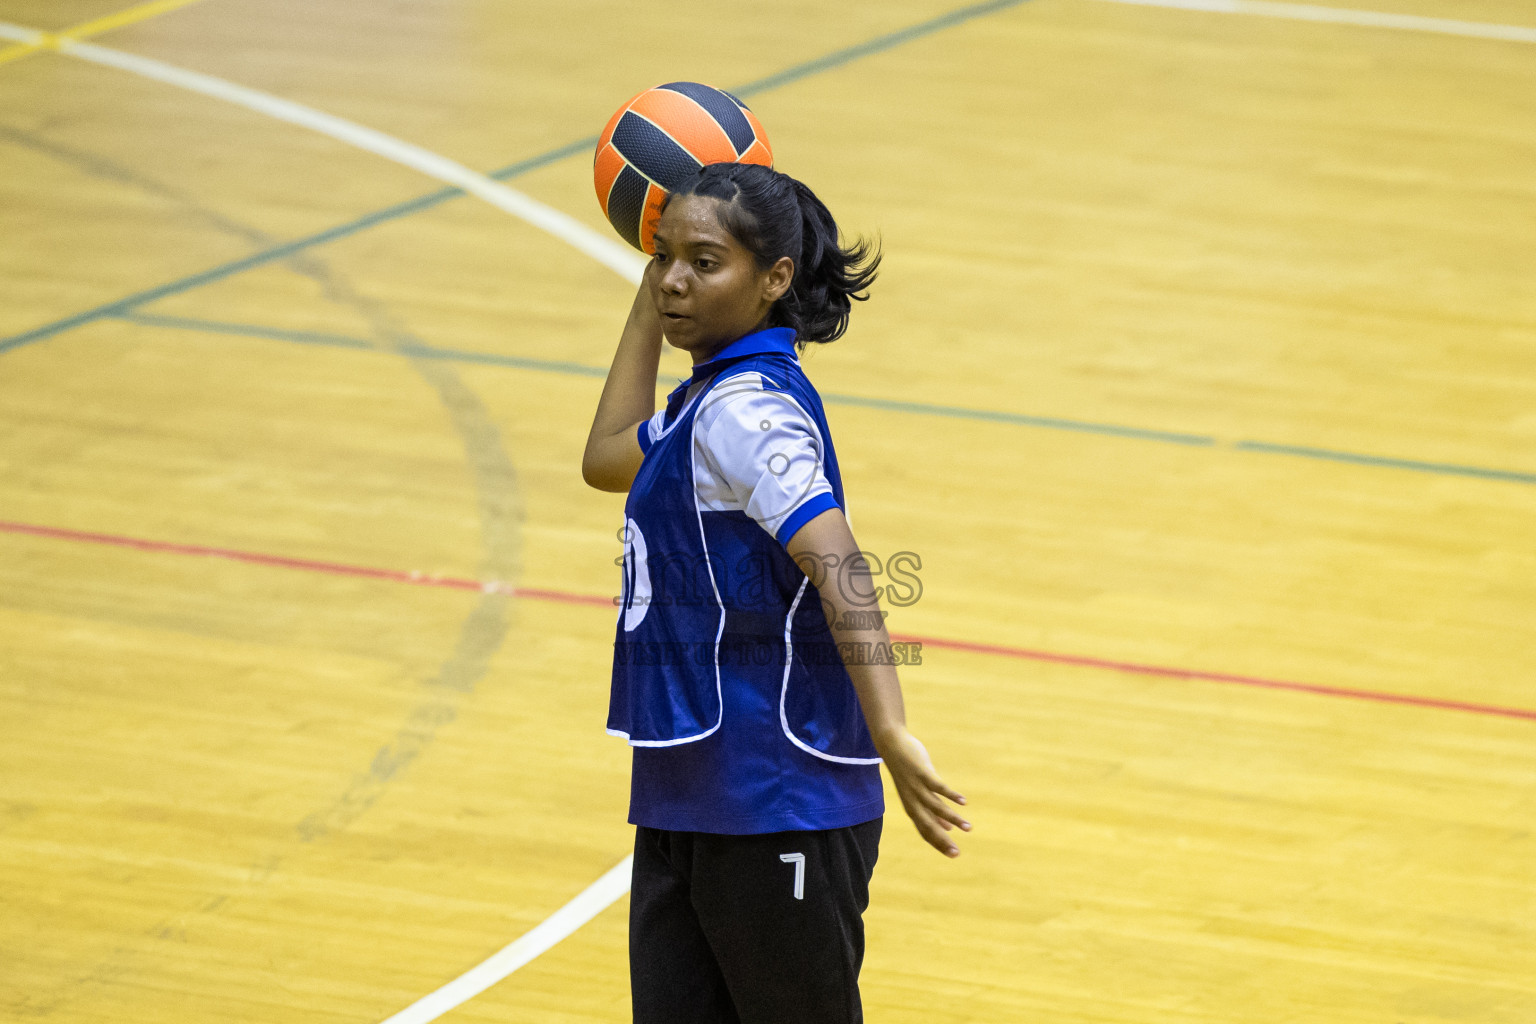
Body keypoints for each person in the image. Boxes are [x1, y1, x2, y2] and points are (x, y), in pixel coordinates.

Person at [582, 161, 969, 1024]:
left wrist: (892, 728)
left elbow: (841, 563)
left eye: (705, 262)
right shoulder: (702, 404)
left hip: (773, 797)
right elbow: (606, 454)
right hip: (690, 791)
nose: (676, 279)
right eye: (663, 257)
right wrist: (658, 287)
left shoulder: (747, 413)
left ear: (776, 279)